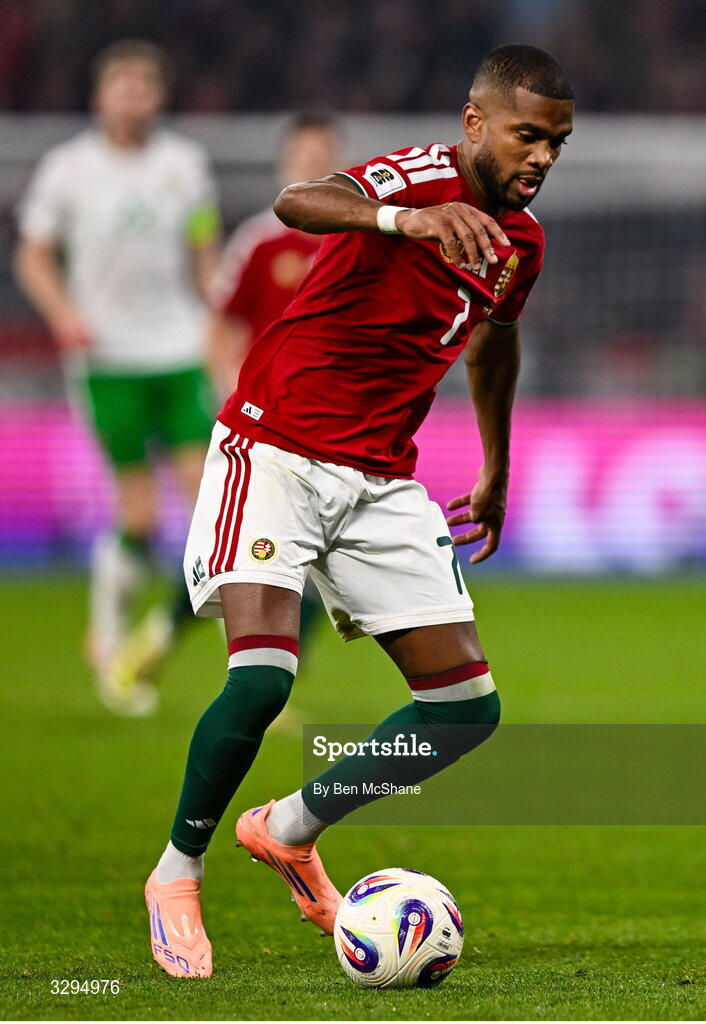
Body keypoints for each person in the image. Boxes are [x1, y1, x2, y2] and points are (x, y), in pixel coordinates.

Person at [145, 44, 574, 978]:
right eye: (527, 133)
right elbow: (298, 199)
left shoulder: (522, 245)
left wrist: (496, 463)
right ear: (476, 124)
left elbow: (492, 352)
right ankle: (177, 871)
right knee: (261, 680)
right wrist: (403, 221)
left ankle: (289, 829)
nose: (542, 155)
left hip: (382, 477)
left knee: (464, 709)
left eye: (557, 141)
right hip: (276, 449)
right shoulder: (417, 177)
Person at [16, 40, 221, 716]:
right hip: (107, 361)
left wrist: (217, 318)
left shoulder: (185, 167)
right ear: (100, 97)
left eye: (143, 85)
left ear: (158, 96)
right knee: (137, 512)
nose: (132, 95)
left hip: (179, 350)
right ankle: (107, 636)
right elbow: (34, 256)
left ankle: (217, 645)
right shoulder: (68, 170)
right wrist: (64, 313)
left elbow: (202, 250)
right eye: (120, 85)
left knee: (207, 502)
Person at [207, 113, 343, 656]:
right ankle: (253, 676)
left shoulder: (359, 237)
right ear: (284, 166)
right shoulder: (258, 241)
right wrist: (231, 396)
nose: (312, 167)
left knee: (311, 562)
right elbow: (219, 323)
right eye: (303, 158)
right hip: (267, 425)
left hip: (337, 423)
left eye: (322, 158)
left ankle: (264, 680)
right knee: (266, 558)